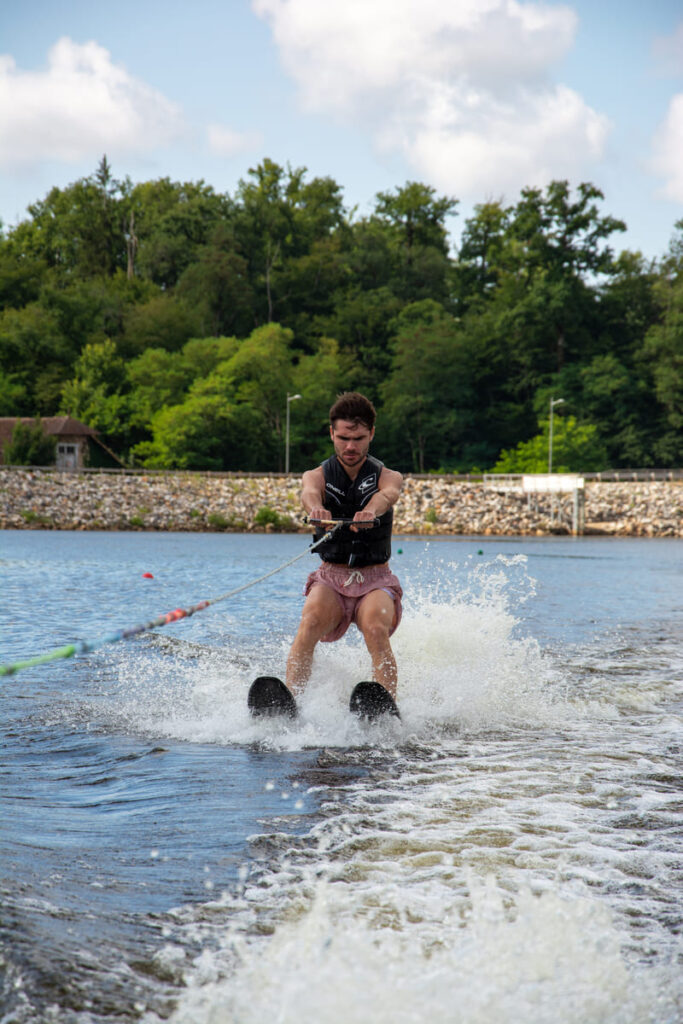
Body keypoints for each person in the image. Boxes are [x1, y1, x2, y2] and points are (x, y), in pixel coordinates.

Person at [285, 392, 403, 701]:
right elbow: (309, 493)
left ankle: (385, 706)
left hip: (375, 580)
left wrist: (371, 511)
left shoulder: (389, 477)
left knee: (376, 628)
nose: (350, 446)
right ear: (331, 434)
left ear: (372, 435)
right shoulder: (316, 476)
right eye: (343, 438)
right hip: (331, 579)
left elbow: (387, 496)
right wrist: (315, 508)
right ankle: (290, 700)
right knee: (309, 621)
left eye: (359, 438)